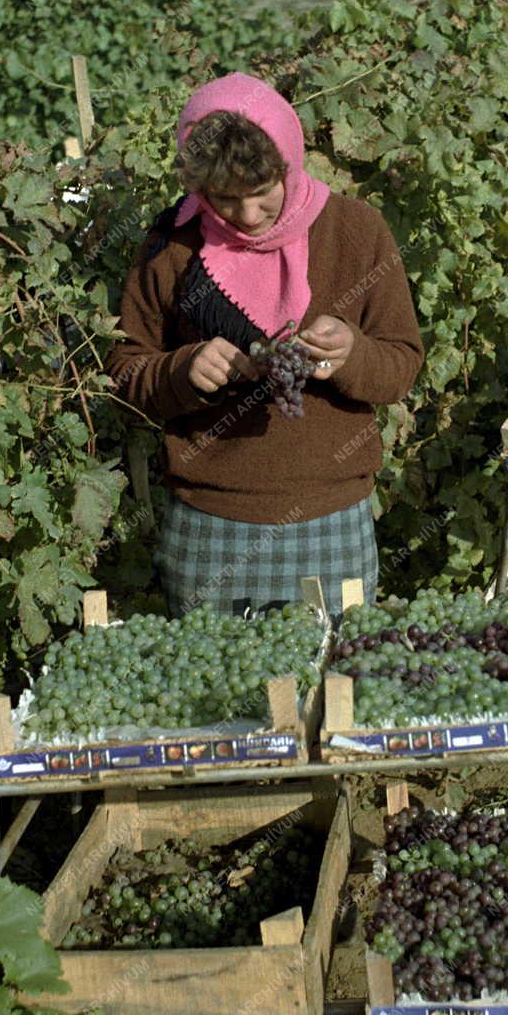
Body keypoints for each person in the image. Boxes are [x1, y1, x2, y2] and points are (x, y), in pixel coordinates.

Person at [106, 71, 423, 618]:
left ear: (290, 166)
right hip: (210, 522)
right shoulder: (170, 245)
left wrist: (352, 353)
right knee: (214, 690)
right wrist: (182, 372)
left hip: (331, 514)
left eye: (261, 194)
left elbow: (400, 366)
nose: (247, 217)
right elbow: (125, 371)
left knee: (330, 691)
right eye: (223, 199)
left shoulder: (356, 231)